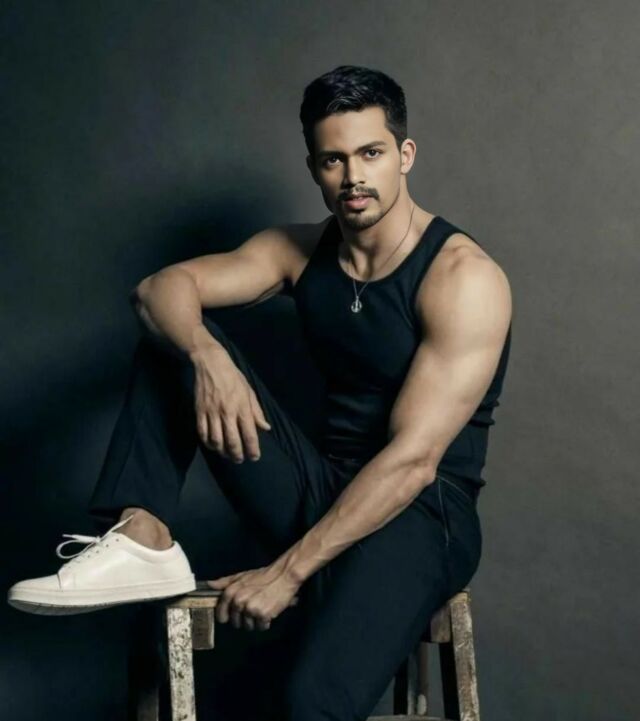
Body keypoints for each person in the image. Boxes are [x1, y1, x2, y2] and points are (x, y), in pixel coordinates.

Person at [7, 65, 512, 720]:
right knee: (172, 339)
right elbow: (158, 290)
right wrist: (207, 355)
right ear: (313, 167)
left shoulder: (462, 277)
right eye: (333, 159)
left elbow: (413, 461)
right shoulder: (296, 251)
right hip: (319, 487)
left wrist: (286, 572)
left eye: (371, 153)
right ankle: (143, 535)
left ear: (405, 155)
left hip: (421, 515)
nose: (353, 177)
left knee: (311, 700)